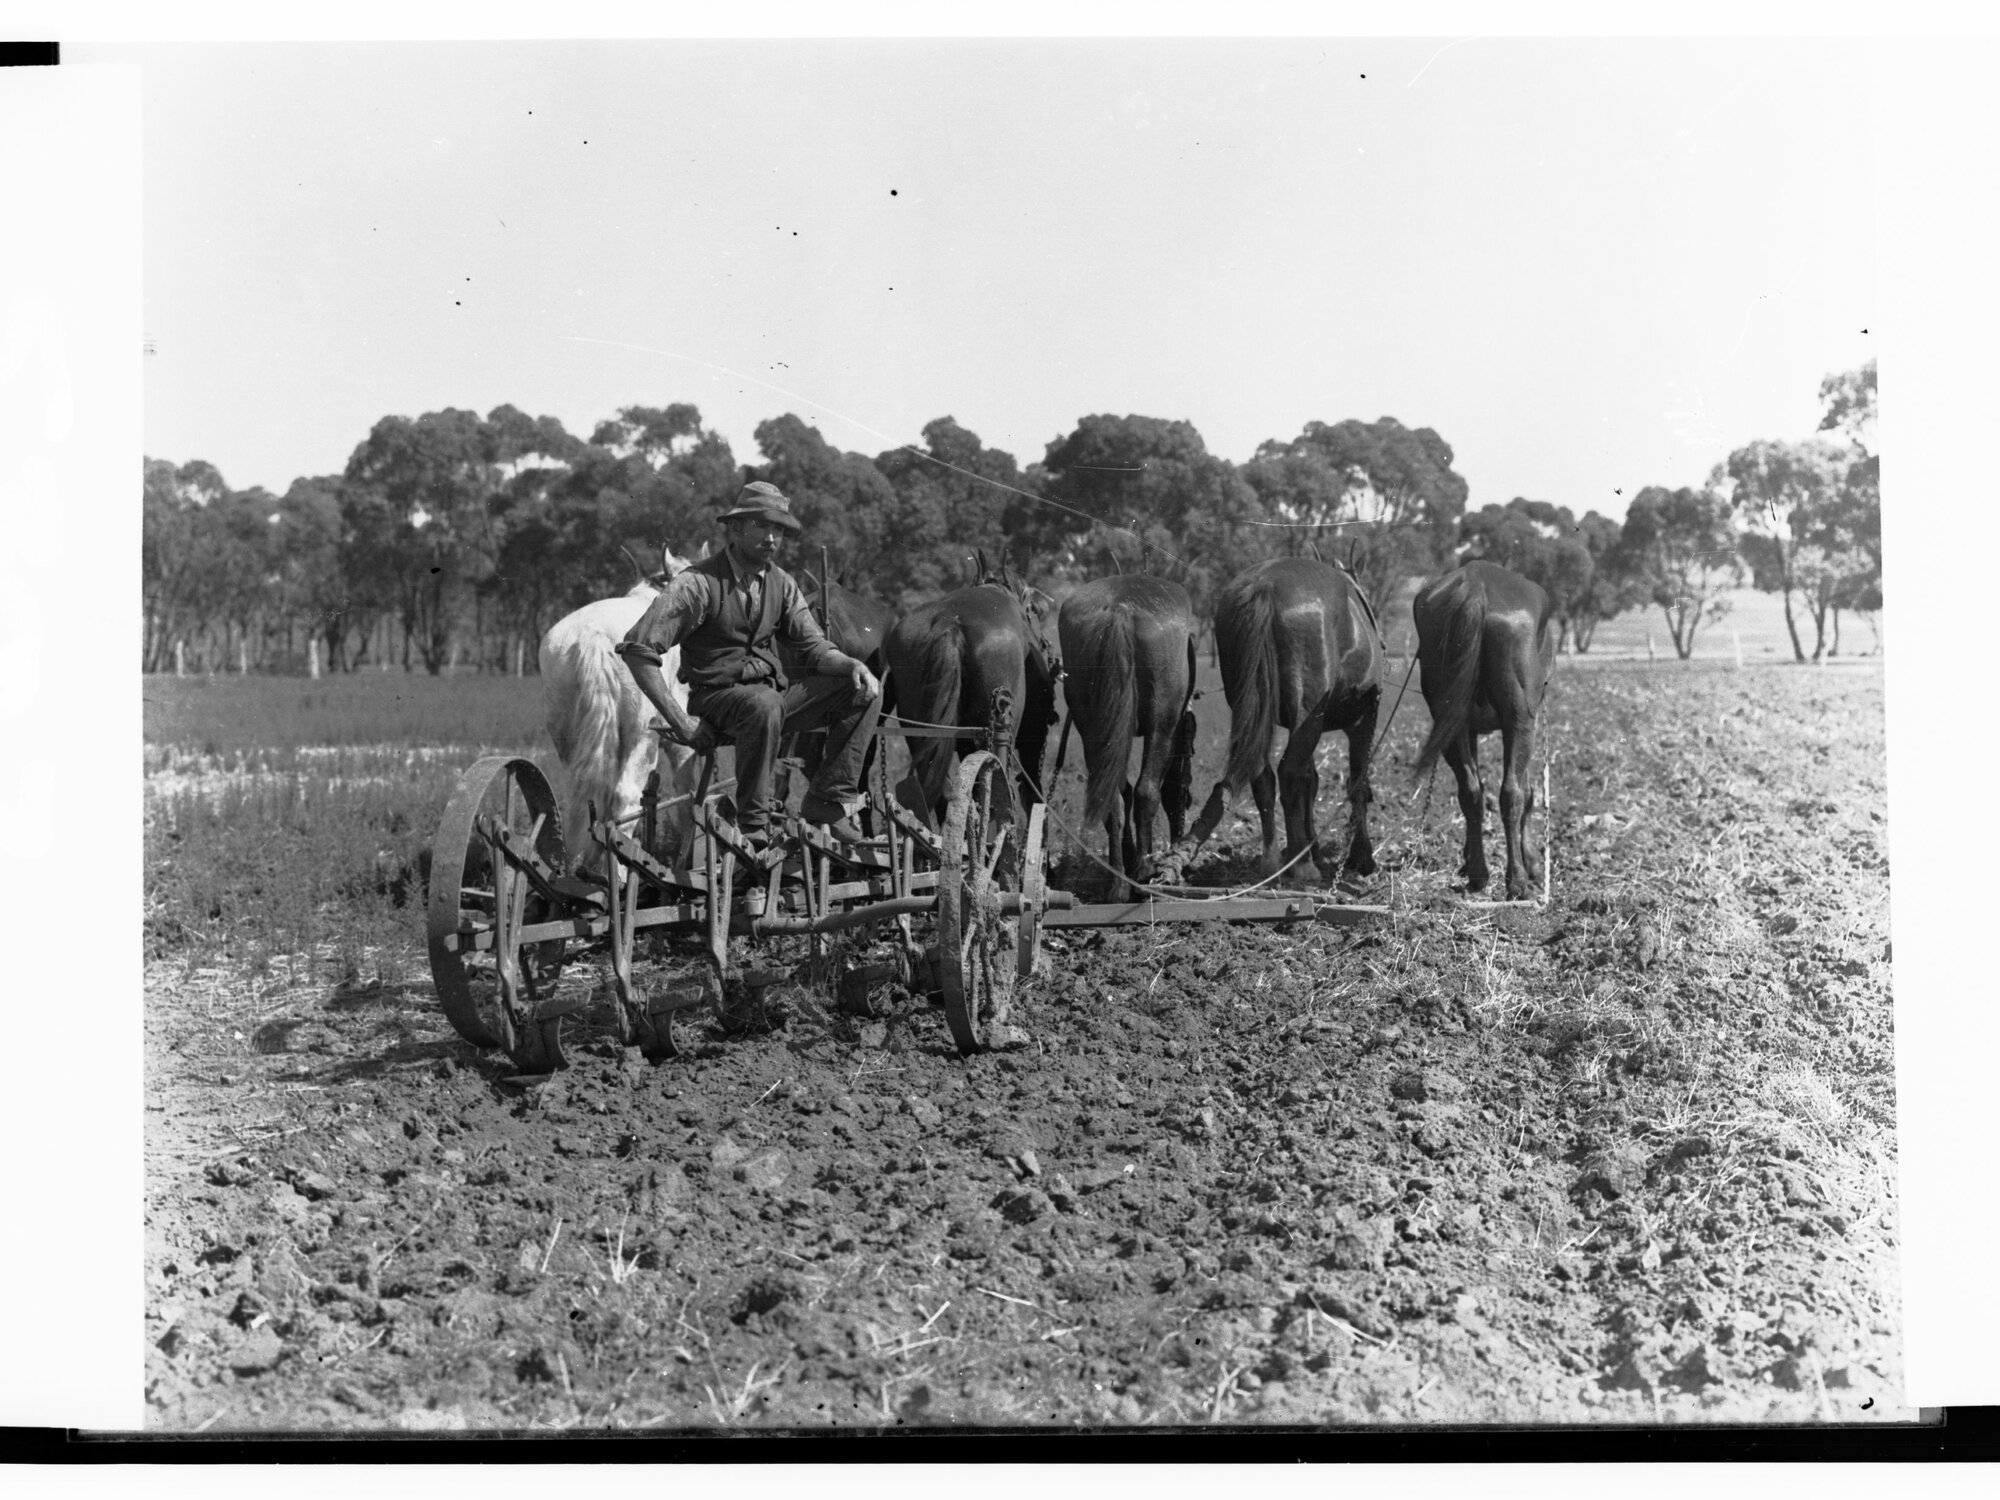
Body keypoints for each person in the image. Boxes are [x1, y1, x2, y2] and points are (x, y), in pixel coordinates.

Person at [614, 482, 882, 879]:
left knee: (862, 692)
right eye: (761, 526)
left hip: (768, 701)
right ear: (735, 529)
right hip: (718, 700)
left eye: (779, 530)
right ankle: (753, 827)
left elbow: (814, 648)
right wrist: (680, 720)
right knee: (764, 704)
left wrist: (851, 666)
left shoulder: (782, 584)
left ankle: (828, 799)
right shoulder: (696, 584)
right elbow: (639, 651)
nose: (772, 538)